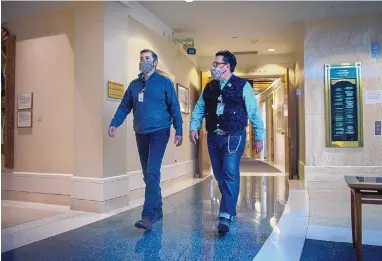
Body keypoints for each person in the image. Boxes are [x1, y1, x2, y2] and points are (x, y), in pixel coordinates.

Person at [189, 50, 264, 234]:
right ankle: (230, 206)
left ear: (227, 66)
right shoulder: (210, 87)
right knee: (220, 175)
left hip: (234, 136)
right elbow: (200, 108)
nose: (213, 67)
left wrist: (259, 136)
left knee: (230, 173)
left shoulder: (242, 85)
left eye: (216, 64)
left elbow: (253, 112)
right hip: (213, 136)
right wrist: (194, 126)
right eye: (213, 64)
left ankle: (224, 216)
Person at [108, 49, 183, 230]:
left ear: (155, 63)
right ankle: (158, 209)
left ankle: (148, 216)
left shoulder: (165, 83)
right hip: (140, 132)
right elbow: (124, 107)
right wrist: (114, 123)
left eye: (147, 58)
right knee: (147, 174)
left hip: (160, 132)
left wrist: (179, 130)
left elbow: (175, 109)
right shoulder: (134, 85)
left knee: (152, 171)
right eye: (141, 59)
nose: (144, 61)